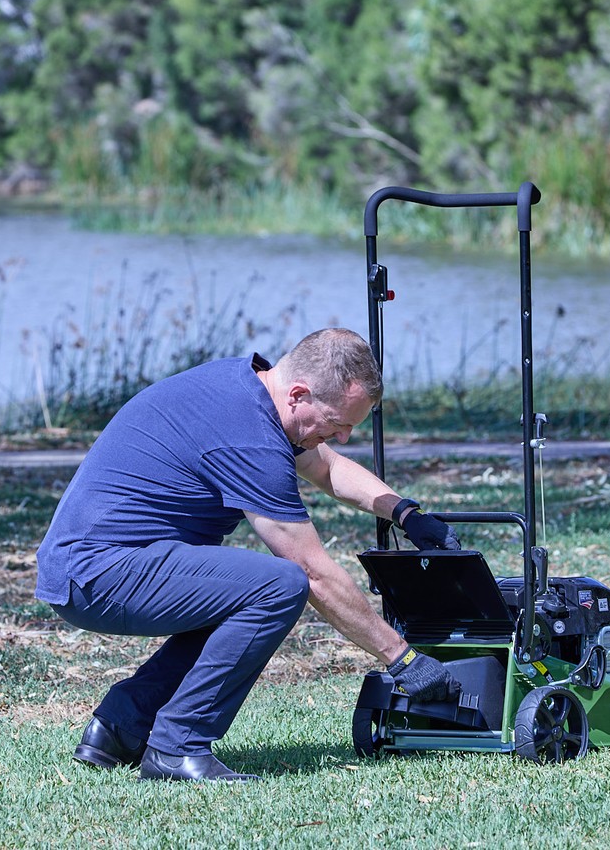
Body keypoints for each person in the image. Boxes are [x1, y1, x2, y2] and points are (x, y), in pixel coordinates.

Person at [34, 327, 461, 783]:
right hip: (98, 573)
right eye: (337, 422)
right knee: (279, 586)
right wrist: (402, 658)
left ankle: (120, 727)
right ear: (299, 395)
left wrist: (405, 513)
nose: (344, 436)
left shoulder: (248, 389)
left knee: (240, 588)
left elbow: (327, 467)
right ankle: (178, 746)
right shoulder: (250, 437)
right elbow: (312, 572)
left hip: (92, 564)